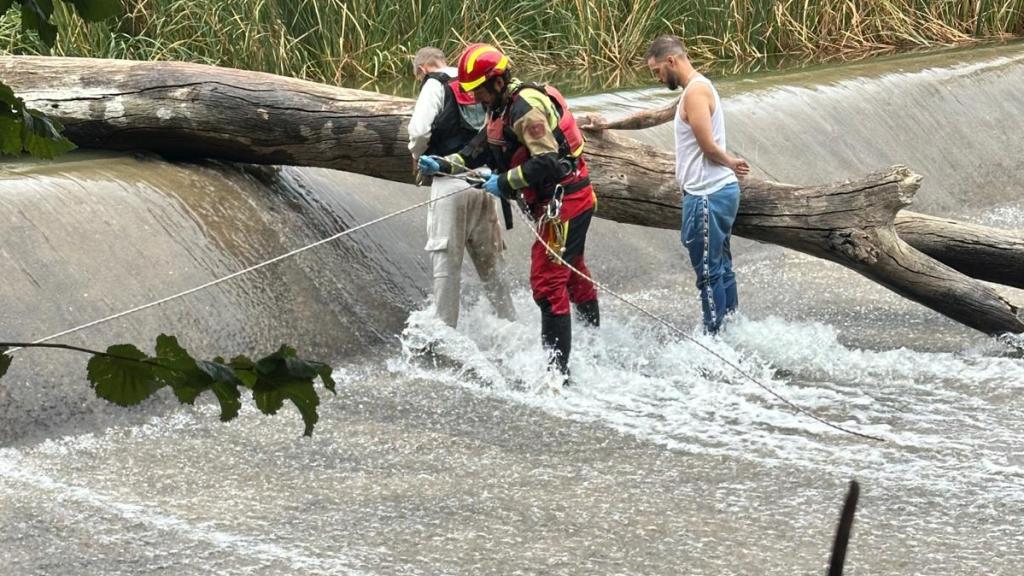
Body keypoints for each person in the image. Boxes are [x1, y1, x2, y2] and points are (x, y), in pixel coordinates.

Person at [418, 43, 600, 382]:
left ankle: (557, 376)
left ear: (498, 81)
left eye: (480, 91)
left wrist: (505, 182)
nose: (475, 98)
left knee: (547, 284)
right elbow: (477, 150)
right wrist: (444, 164)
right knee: (572, 271)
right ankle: (594, 343)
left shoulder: (525, 110)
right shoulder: (499, 109)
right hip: (559, 201)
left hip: (566, 202)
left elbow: (547, 161)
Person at [642, 35, 750, 334]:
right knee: (721, 268)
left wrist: (730, 161)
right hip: (716, 192)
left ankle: (714, 340)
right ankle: (731, 330)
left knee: (708, 273)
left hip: (706, 195)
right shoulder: (699, 87)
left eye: (657, 71)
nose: (659, 78)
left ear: (672, 61)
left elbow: (707, 145)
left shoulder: (695, 93)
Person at [408, 46, 516, 328]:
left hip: (448, 182)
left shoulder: (433, 84)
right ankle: (511, 326)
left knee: (446, 268)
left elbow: (419, 131)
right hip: (483, 181)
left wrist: (418, 157)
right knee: (491, 265)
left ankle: (445, 334)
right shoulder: (473, 79)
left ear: (422, 70)